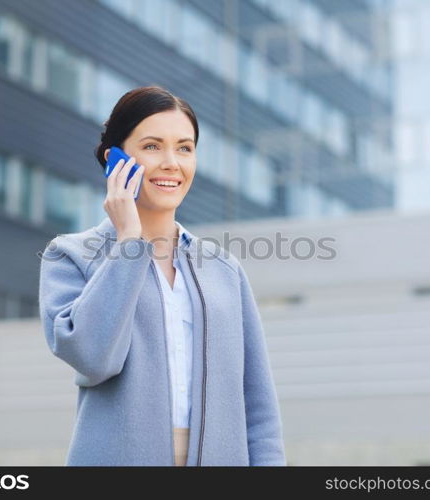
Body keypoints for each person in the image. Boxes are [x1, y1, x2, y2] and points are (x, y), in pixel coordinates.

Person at [38, 85, 286, 466]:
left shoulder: (224, 270)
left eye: (184, 148)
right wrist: (129, 244)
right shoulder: (70, 256)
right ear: (114, 159)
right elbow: (92, 358)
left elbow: (259, 404)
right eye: (152, 146)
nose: (172, 162)